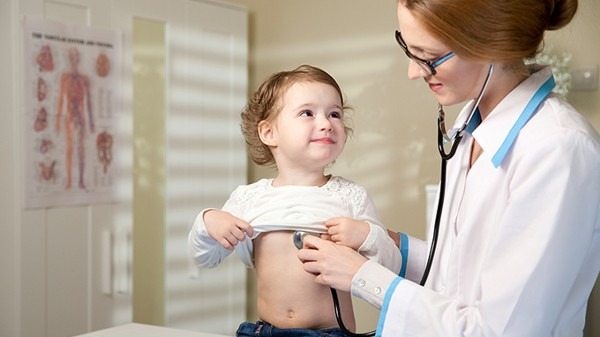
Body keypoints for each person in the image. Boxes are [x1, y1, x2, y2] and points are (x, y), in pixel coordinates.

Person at [298, 0, 600, 336]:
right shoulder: (471, 128)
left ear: (489, 42)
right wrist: (386, 243)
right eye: (408, 49)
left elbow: (499, 329)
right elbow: (460, 274)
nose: (414, 72)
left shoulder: (557, 149)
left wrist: (361, 276)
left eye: (428, 57)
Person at [188, 64, 401, 336]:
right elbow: (204, 257)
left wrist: (367, 236)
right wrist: (208, 222)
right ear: (269, 133)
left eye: (334, 114)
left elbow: (390, 266)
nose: (326, 123)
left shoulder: (350, 196)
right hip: (265, 331)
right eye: (307, 113)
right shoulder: (249, 198)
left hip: (330, 333)